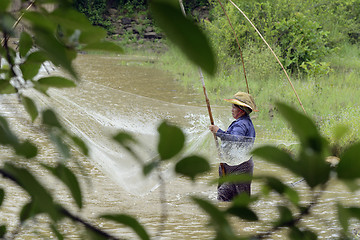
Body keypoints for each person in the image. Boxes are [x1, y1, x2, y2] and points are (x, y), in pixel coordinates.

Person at [209, 91, 257, 201]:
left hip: (239, 168)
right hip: (236, 165)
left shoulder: (241, 124)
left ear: (240, 110)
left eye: (233, 107)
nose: (231, 110)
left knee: (224, 197)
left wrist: (218, 132)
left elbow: (236, 140)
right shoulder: (244, 122)